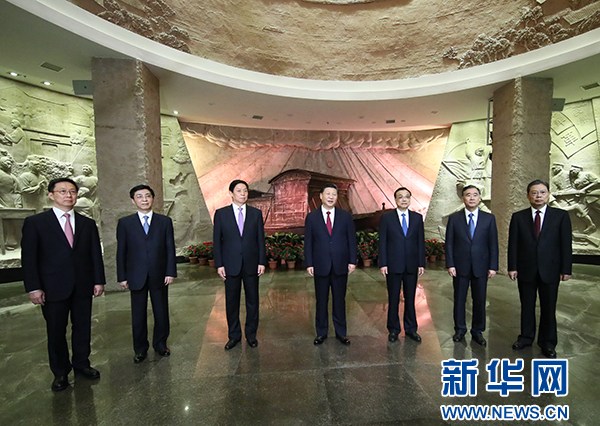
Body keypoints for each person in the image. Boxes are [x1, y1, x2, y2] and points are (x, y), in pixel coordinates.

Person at [21, 178, 105, 391]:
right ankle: (60, 372)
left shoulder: (87, 223)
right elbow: (29, 258)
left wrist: (98, 280)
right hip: (52, 287)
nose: (68, 195)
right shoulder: (36, 223)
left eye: (72, 191)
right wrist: (34, 287)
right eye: (63, 191)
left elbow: (95, 254)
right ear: (51, 195)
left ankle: (82, 364)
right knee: (56, 331)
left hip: (83, 285)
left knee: (83, 328)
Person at [508, 179, 572, 358]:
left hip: (550, 270)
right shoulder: (518, 217)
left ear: (548, 195)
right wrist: (512, 267)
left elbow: (566, 245)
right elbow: (513, 244)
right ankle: (525, 337)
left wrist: (566, 269)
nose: (538, 196)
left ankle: (548, 342)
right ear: (528, 196)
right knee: (526, 306)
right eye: (534, 193)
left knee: (549, 308)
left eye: (542, 192)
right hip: (526, 269)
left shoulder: (561, 216)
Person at [117, 185, 177, 363]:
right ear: (133, 200)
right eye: (139, 196)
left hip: (159, 274)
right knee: (138, 314)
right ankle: (140, 349)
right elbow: (121, 252)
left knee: (161, 311)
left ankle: (160, 344)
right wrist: (122, 276)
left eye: (147, 196)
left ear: (153, 198)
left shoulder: (164, 221)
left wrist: (170, 271)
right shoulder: (125, 223)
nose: (144, 199)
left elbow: (170, 248)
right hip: (136, 275)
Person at [213, 180, 266, 350]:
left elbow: (260, 240)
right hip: (230, 265)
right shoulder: (221, 214)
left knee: (252, 301)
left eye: (245, 190)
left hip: (251, 264)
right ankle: (234, 335)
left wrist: (261, 261)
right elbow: (217, 241)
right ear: (231, 193)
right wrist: (219, 264)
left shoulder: (256, 214)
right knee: (231, 302)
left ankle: (251, 335)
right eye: (239, 191)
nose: (243, 194)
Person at [445, 185, 498, 346]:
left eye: (475, 195)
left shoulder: (489, 218)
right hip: (460, 266)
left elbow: (493, 244)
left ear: (480, 198)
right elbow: (449, 243)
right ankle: (460, 329)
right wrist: (450, 264)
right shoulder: (454, 218)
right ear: (463, 199)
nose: (472, 198)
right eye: (468, 195)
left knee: (480, 300)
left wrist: (493, 266)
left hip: (481, 266)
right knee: (459, 299)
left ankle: (478, 331)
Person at [304, 183, 357, 346]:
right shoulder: (312, 217)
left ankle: (341, 333)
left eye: (334, 194)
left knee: (340, 300)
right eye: (328, 194)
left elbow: (351, 240)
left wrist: (352, 261)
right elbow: (309, 242)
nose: (331, 197)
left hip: (341, 264)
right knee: (321, 301)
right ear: (321, 196)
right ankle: (321, 333)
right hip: (320, 265)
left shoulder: (345, 216)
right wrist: (309, 263)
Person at [379, 187, 426, 343]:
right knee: (393, 298)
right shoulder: (387, 218)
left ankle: (411, 329)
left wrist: (421, 263)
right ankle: (393, 330)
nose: (404, 199)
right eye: (400, 197)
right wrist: (383, 263)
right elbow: (383, 242)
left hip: (412, 265)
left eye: (407, 196)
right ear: (395, 200)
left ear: (410, 199)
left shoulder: (417, 218)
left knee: (410, 298)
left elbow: (420, 241)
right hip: (393, 265)